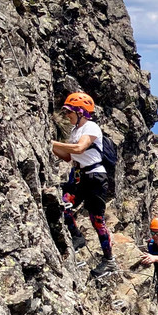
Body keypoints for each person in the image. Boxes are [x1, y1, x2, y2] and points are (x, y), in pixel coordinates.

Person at [51, 91, 115, 276]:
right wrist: (51, 147)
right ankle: (78, 238)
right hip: (80, 176)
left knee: (97, 220)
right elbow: (68, 157)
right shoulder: (75, 131)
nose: (67, 115)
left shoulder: (91, 128)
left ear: (80, 112)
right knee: (63, 204)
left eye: (70, 112)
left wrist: (54, 142)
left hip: (95, 178)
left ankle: (109, 260)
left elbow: (79, 148)